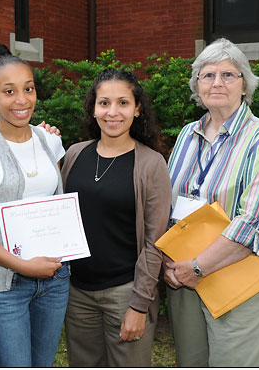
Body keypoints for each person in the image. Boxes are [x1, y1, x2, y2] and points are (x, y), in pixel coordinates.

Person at [164, 38, 259, 367]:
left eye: (228, 75)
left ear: (245, 85)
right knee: (192, 361)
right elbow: (167, 203)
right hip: (184, 270)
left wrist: (199, 266)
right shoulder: (187, 135)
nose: (217, 82)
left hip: (239, 265)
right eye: (208, 75)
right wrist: (167, 260)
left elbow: (254, 221)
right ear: (197, 85)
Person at [0, 43, 70, 367]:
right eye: (9, 91)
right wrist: (23, 265)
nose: (21, 100)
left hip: (54, 281)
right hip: (4, 285)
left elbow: (57, 206)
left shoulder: (50, 140)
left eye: (28, 89)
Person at [60, 68, 172, 366]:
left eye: (123, 103)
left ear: (137, 109)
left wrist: (139, 305)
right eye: (104, 103)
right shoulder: (74, 154)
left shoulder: (151, 164)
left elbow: (155, 242)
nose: (113, 112)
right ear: (93, 108)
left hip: (125, 293)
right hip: (77, 293)